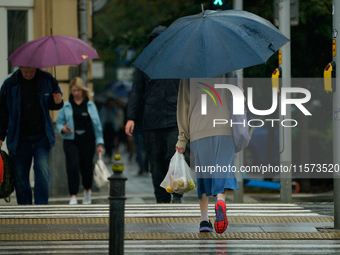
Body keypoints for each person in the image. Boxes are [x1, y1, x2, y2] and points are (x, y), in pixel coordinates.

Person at [125, 25, 183, 203]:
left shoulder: (178, 62)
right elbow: (136, 91)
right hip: (151, 120)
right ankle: (161, 199)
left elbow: (188, 91)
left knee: (173, 155)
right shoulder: (145, 64)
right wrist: (131, 117)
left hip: (174, 118)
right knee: (156, 162)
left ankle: (177, 192)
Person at [175, 77, 239, 234]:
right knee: (223, 168)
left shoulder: (189, 71)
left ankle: (204, 220)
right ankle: (220, 201)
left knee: (203, 174)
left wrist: (182, 138)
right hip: (225, 126)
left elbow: (184, 106)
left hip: (199, 127)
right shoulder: (228, 65)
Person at [0, 66, 64, 205]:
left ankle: (41, 207)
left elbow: (54, 104)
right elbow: (3, 112)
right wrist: (0, 135)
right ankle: (25, 208)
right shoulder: (10, 83)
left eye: (31, 71)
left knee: (42, 171)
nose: (29, 74)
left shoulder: (47, 80)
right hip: (18, 139)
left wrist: (58, 102)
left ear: (36, 67)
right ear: (20, 68)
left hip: (41, 137)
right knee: (20, 177)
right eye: (25, 72)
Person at [56, 77, 104, 205]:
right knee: (72, 166)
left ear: (83, 91)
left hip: (88, 141)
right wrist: (63, 129)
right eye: (73, 90)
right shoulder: (66, 105)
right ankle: (73, 195)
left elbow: (97, 125)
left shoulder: (90, 105)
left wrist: (100, 143)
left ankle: (87, 191)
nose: (75, 93)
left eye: (78, 90)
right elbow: (59, 123)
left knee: (87, 167)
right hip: (71, 141)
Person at [99, 98, 118, 162]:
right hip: (105, 126)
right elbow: (101, 117)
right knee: (106, 141)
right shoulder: (103, 109)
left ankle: (110, 154)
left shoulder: (113, 109)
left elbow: (117, 112)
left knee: (111, 141)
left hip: (112, 126)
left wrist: (113, 106)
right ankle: (107, 153)